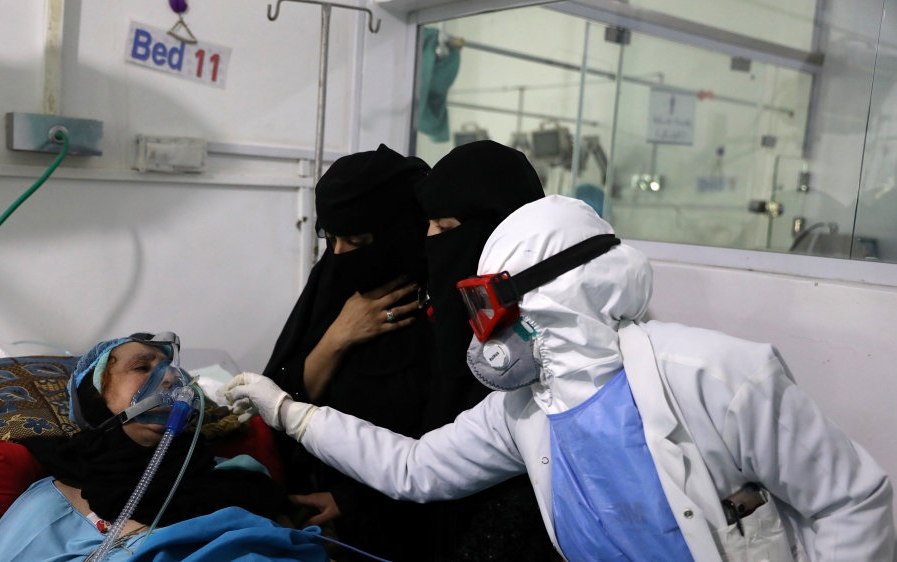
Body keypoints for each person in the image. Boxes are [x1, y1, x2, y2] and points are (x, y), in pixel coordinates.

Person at [225, 196, 896, 561]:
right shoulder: (525, 410)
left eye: (487, 306)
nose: (482, 332)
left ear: (559, 290)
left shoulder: (716, 375)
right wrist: (286, 410)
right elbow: (414, 469)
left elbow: (852, 503)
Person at [0, 333, 327, 562]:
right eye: (142, 367)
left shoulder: (236, 477)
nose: (170, 379)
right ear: (94, 399)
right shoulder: (51, 499)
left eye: (173, 371)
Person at [263, 144, 435, 561]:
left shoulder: (438, 305)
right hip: (314, 509)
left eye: (356, 240)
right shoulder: (334, 280)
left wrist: (354, 502)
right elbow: (283, 392)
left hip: (402, 520)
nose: (339, 253)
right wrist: (339, 336)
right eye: (330, 237)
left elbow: (443, 445)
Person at [414, 140, 556, 561]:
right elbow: (416, 466)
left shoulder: (539, 351)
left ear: (498, 235)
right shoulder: (440, 321)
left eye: (445, 228)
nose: (429, 241)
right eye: (428, 225)